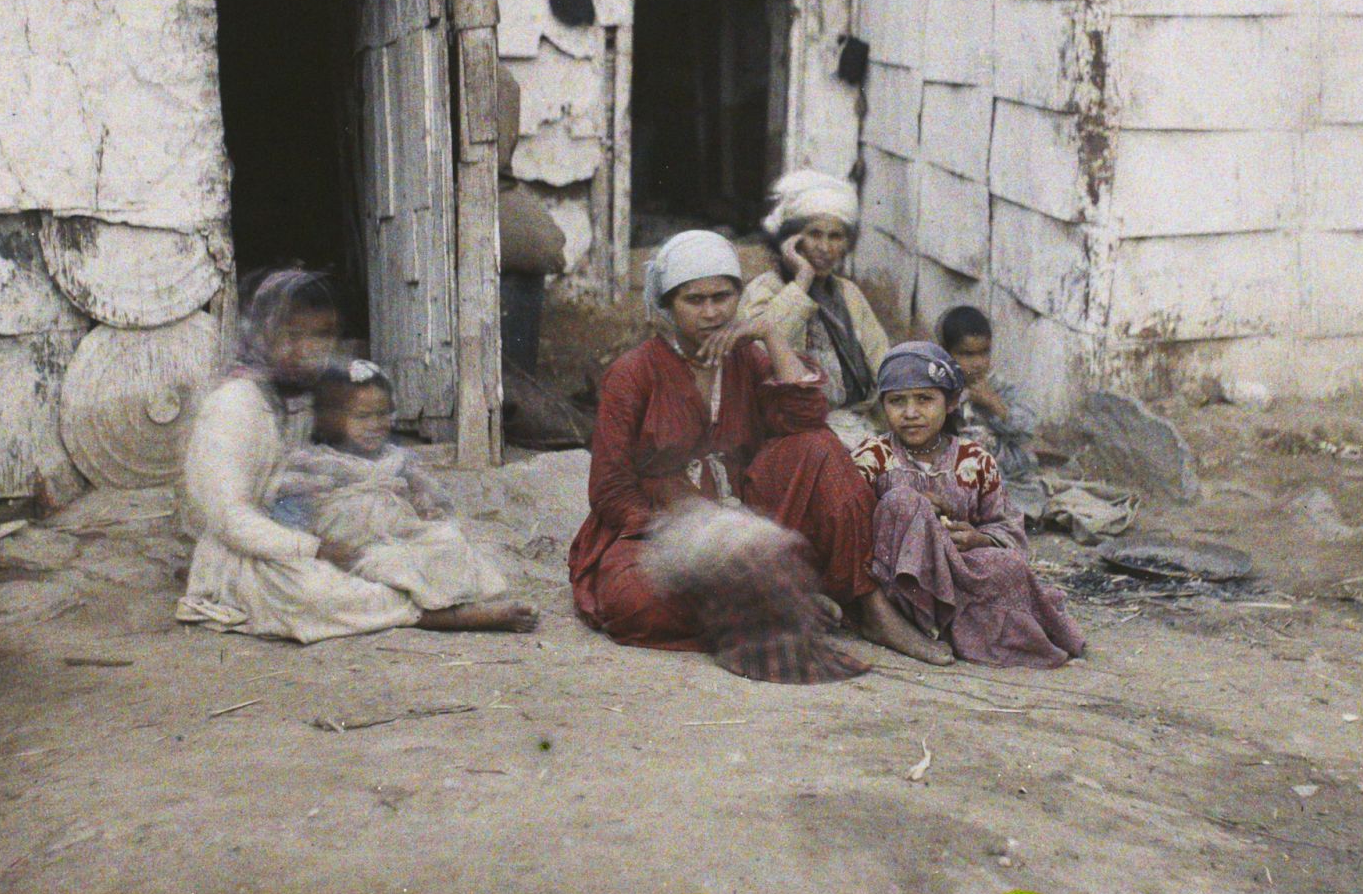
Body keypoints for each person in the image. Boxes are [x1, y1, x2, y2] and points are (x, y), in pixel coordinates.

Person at [568, 229, 950, 674]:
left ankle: (869, 607)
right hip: (662, 526)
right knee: (634, 602)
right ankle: (778, 603)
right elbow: (610, 488)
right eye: (695, 300)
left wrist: (769, 332)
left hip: (746, 514)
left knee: (819, 447)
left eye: (723, 297)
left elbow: (807, 419)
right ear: (668, 305)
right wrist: (693, 534)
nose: (711, 312)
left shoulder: (745, 358)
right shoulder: (632, 374)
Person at [175, 269, 534, 643]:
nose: (308, 349)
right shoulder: (234, 404)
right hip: (251, 555)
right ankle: (430, 615)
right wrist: (315, 548)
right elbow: (230, 521)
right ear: (261, 333)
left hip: (310, 534)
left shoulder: (302, 396)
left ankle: (421, 599)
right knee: (314, 591)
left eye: (321, 335)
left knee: (432, 541)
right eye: (292, 335)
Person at [852, 342, 1086, 669]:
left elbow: (1005, 526)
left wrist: (979, 538)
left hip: (958, 573)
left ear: (949, 403)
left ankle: (947, 625)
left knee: (1008, 568)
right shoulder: (872, 456)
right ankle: (898, 625)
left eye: (924, 399)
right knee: (903, 500)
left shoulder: (975, 460)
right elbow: (851, 525)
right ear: (883, 405)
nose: (910, 413)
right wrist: (911, 513)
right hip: (896, 580)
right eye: (897, 401)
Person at [268, 359, 516, 614]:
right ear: (329, 419)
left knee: (447, 539)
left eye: (382, 414)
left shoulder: (395, 460)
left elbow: (427, 502)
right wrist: (313, 547)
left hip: (400, 536)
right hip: (352, 551)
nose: (375, 425)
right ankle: (443, 614)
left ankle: (441, 602)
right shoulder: (315, 465)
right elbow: (288, 517)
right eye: (362, 416)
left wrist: (427, 512)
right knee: (386, 566)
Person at [739, 169, 892, 448]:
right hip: (794, 431)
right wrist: (802, 280)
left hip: (857, 425)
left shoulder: (848, 294)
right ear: (792, 240)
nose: (824, 247)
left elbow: (883, 363)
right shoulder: (765, 290)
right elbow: (758, 354)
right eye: (814, 235)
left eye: (835, 237)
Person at [938, 305, 1048, 524]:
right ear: (945, 353)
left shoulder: (1001, 388)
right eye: (968, 354)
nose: (979, 363)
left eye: (984, 352)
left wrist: (995, 405)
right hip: (954, 475)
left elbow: (1027, 430)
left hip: (1003, 477)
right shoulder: (938, 389)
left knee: (1029, 498)